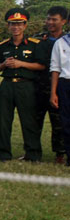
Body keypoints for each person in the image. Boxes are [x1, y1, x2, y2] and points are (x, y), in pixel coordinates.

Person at [0, 8, 45, 162]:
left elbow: (41, 66)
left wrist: (21, 63)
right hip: (7, 85)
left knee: (28, 121)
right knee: (5, 121)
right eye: (12, 24)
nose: (16, 27)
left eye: (19, 24)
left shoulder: (35, 44)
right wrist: (5, 64)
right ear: (8, 26)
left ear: (25, 25)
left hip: (26, 86)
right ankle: (4, 154)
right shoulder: (3, 46)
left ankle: (33, 154)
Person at [35, 6, 67, 164]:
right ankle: (33, 152)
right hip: (38, 87)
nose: (50, 22)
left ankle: (60, 153)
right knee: (35, 121)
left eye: (54, 19)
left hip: (59, 87)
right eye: (48, 19)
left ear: (64, 21)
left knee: (59, 122)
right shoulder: (38, 39)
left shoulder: (66, 41)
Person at [50, 26, 70, 166]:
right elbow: (55, 68)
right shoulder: (61, 42)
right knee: (66, 121)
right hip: (65, 84)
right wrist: (53, 92)